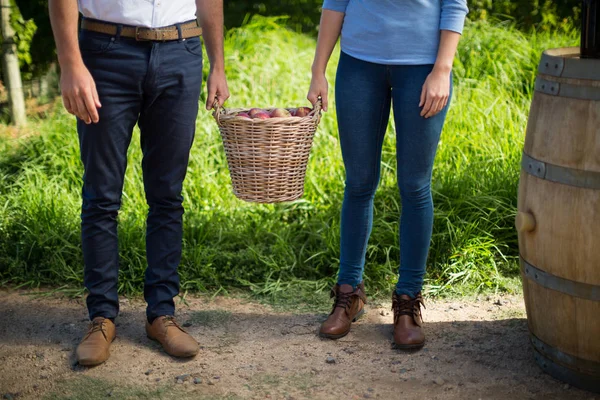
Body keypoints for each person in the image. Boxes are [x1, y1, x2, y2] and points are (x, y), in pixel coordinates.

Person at [48, 0, 230, 366]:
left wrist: (218, 66)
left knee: (167, 196)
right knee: (101, 196)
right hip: (105, 53)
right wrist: (70, 63)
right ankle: (101, 318)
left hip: (181, 50)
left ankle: (161, 314)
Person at [307, 0, 468, 349]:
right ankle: (349, 291)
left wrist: (443, 68)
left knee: (414, 186)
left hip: (423, 69)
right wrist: (318, 70)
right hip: (358, 66)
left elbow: (455, 4)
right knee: (359, 182)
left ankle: (408, 302)